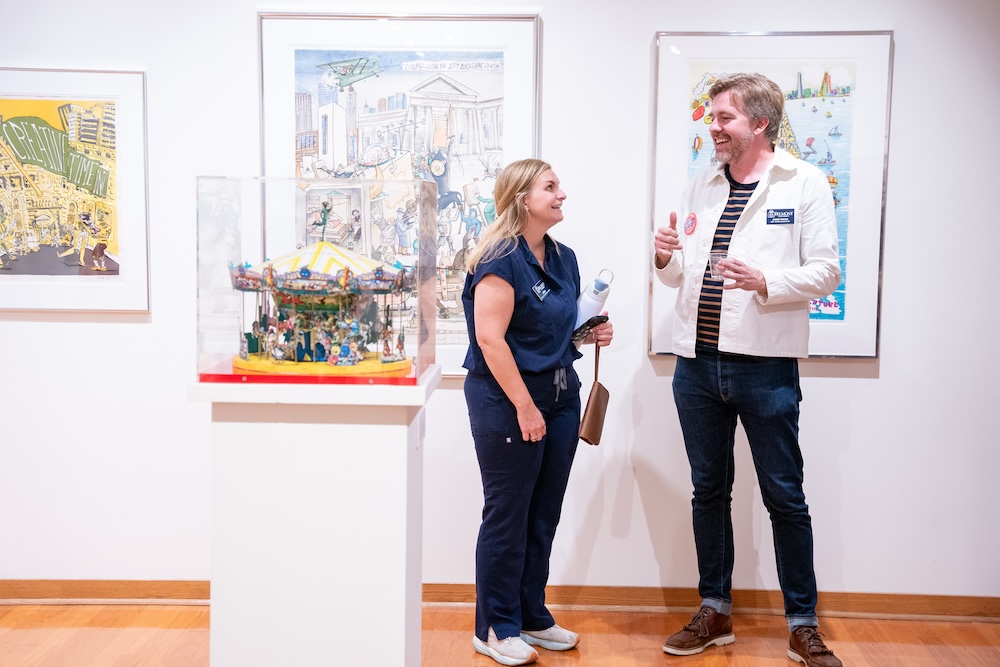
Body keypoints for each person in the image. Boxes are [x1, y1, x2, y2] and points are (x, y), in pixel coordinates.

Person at [652, 73, 843, 667]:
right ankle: (715, 610)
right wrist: (663, 257)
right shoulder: (702, 183)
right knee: (708, 492)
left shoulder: (804, 181)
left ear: (760, 123)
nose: (712, 127)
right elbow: (680, 274)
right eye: (711, 118)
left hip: (765, 367)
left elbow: (826, 273)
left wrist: (767, 281)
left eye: (723, 118)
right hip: (697, 366)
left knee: (784, 495)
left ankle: (803, 625)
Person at [462, 158, 613, 666]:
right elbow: (490, 338)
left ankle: (529, 614)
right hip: (508, 400)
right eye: (550, 187)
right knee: (508, 514)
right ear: (523, 198)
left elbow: (556, 331)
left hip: (560, 395)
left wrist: (590, 333)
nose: (562, 194)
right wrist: (525, 407)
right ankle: (494, 626)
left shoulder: (563, 257)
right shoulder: (500, 258)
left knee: (543, 512)